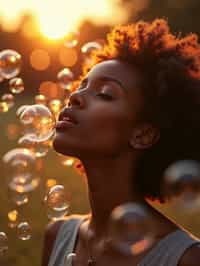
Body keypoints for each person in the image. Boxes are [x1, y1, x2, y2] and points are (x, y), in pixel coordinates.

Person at [42, 18, 200, 266]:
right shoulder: (57, 237)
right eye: (82, 85)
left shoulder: (185, 259)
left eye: (105, 94)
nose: (74, 96)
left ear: (143, 135)